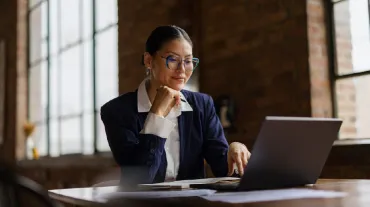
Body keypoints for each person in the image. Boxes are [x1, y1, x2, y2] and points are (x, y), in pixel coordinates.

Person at [100, 25, 251, 187]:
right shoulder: (117, 111)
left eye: (188, 61)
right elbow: (139, 178)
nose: (182, 70)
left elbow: (224, 170)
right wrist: (156, 114)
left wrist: (234, 150)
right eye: (172, 59)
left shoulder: (202, 105)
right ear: (149, 61)